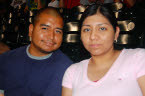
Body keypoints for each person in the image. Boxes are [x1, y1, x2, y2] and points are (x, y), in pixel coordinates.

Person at [62, 3, 145, 96]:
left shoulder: (138, 59)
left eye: (102, 28)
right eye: (87, 30)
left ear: (116, 33)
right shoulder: (73, 72)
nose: (93, 36)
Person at [0, 7, 73, 96]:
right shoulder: (6, 59)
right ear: (31, 30)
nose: (51, 36)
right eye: (45, 28)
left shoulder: (66, 69)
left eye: (57, 31)